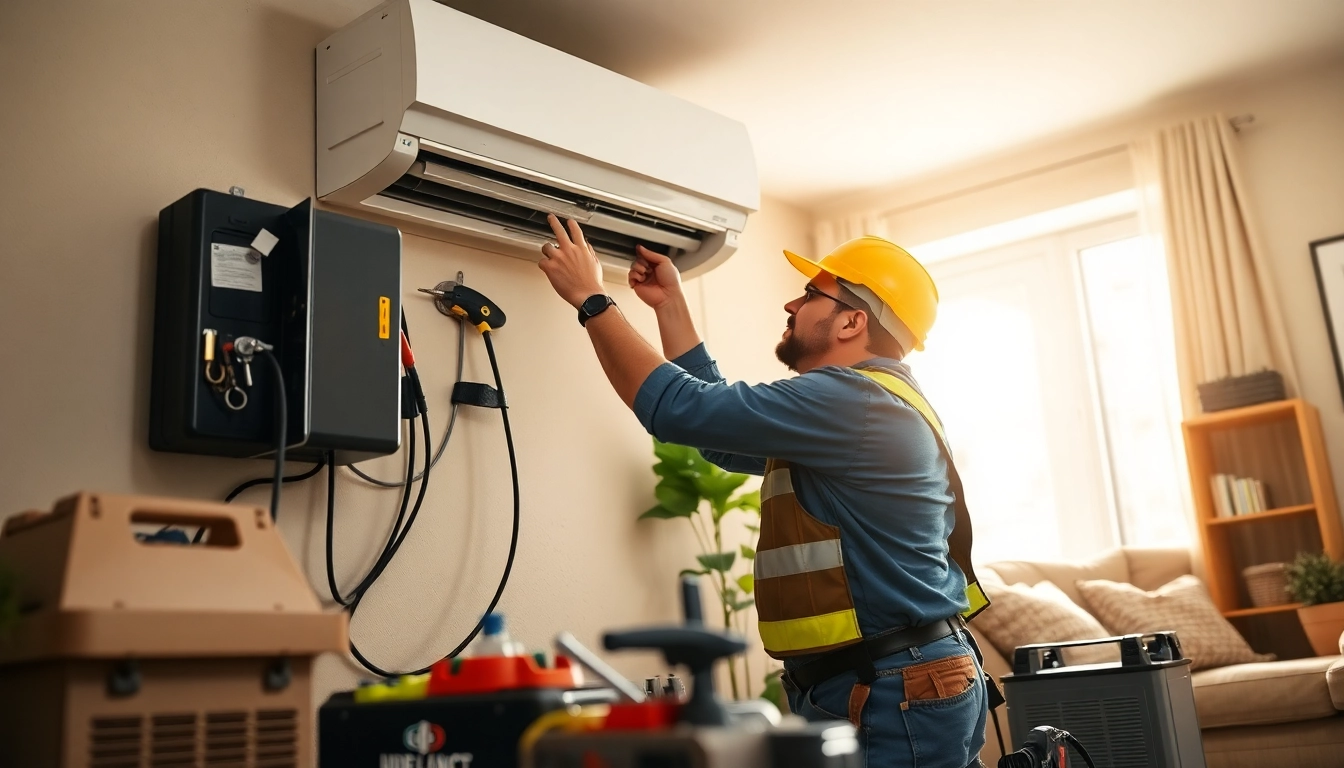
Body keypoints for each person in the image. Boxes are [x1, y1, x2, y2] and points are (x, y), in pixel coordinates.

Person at [536, 214, 994, 768]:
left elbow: (680, 409)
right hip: (882, 680)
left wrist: (592, 299)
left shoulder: (853, 402)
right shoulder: (866, 403)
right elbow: (720, 440)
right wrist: (670, 307)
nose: (791, 306)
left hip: (890, 686)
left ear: (851, 322)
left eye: (810, 294)